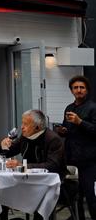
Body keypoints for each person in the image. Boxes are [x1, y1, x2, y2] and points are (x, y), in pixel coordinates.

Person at [0, 109, 66, 220]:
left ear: (37, 127)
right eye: (22, 123)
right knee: (4, 192)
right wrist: (4, 145)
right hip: (28, 179)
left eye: (25, 124)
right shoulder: (25, 137)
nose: (21, 127)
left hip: (48, 183)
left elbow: (52, 166)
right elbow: (9, 151)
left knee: (40, 202)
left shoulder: (53, 139)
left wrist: (23, 166)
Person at [55, 75, 96, 219]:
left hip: (89, 159)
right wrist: (62, 131)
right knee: (75, 195)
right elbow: (68, 129)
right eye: (76, 88)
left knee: (90, 196)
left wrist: (80, 122)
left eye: (82, 87)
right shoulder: (69, 107)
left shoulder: (93, 108)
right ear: (71, 90)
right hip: (72, 156)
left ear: (87, 90)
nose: (79, 90)